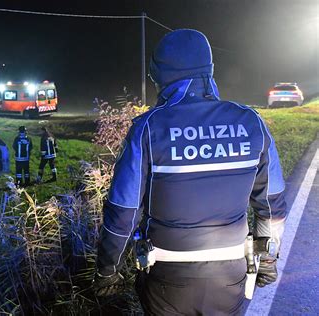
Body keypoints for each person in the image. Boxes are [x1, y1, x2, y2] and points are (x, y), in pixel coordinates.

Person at [93, 29, 287, 315]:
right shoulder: (251, 122)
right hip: (231, 275)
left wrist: (107, 271)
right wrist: (267, 259)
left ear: (160, 75)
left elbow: (123, 212)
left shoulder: (147, 129)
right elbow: (272, 205)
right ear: (208, 70)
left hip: (166, 278)